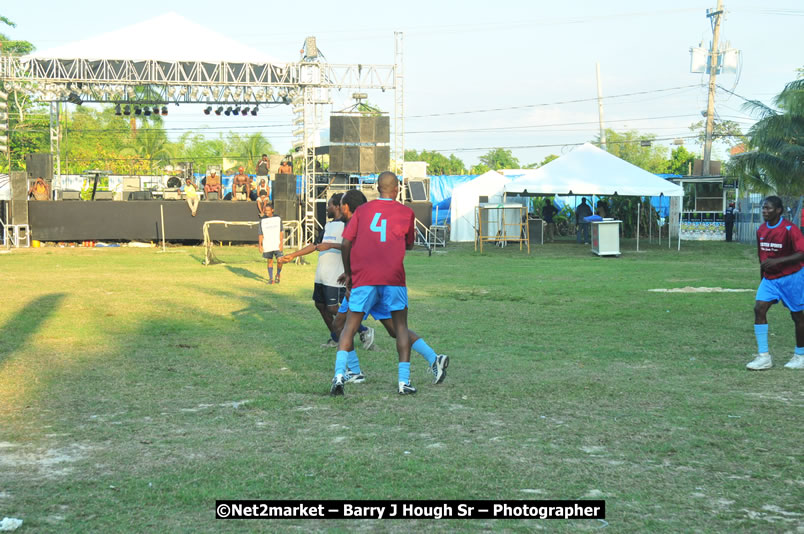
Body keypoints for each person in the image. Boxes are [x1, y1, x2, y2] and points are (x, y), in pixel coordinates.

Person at [331, 172, 447, 396]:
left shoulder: (363, 211)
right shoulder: (406, 212)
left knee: (347, 326)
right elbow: (410, 245)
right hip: (392, 277)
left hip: (364, 277)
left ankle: (339, 375)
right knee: (399, 328)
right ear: (397, 189)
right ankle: (404, 381)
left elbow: (346, 243)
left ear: (377, 187)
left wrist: (349, 273)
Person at [279, 194, 375, 349]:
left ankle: (364, 330)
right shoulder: (328, 225)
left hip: (335, 275)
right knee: (320, 305)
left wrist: (331, 245)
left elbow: (351, 246)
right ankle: (336, 337)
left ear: (338, 206)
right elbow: (316, 245)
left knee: (332, 308)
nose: (327, 208)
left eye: (329, 205)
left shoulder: (348, 224)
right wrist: (293, 255)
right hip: (322, 274)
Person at [746, 196, 804, 370]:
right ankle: (764, 357)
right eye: (763, 208)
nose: (764, 211)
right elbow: (762, 258)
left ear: (778, 210)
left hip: (792, 277)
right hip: (770, 279)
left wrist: (778, 262)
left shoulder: (790, 229)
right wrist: (762, 278)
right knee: (759, 308)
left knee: (798, 316)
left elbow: (802, 253)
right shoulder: (761, 230)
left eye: (768, 208)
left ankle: (800, 355)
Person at [258, 203, 284, 284]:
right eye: (265, 210)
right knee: (270, 261)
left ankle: (278, 274)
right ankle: (271, 279)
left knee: (280, 260)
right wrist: (260, 245)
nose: (266, 212)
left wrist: (281, 243)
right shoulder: (262, 220)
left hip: (277, 243)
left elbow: (281, 232)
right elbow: (260, 234)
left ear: (272, 210)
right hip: (267, 244)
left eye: (268, 210)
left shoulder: (277, 219)